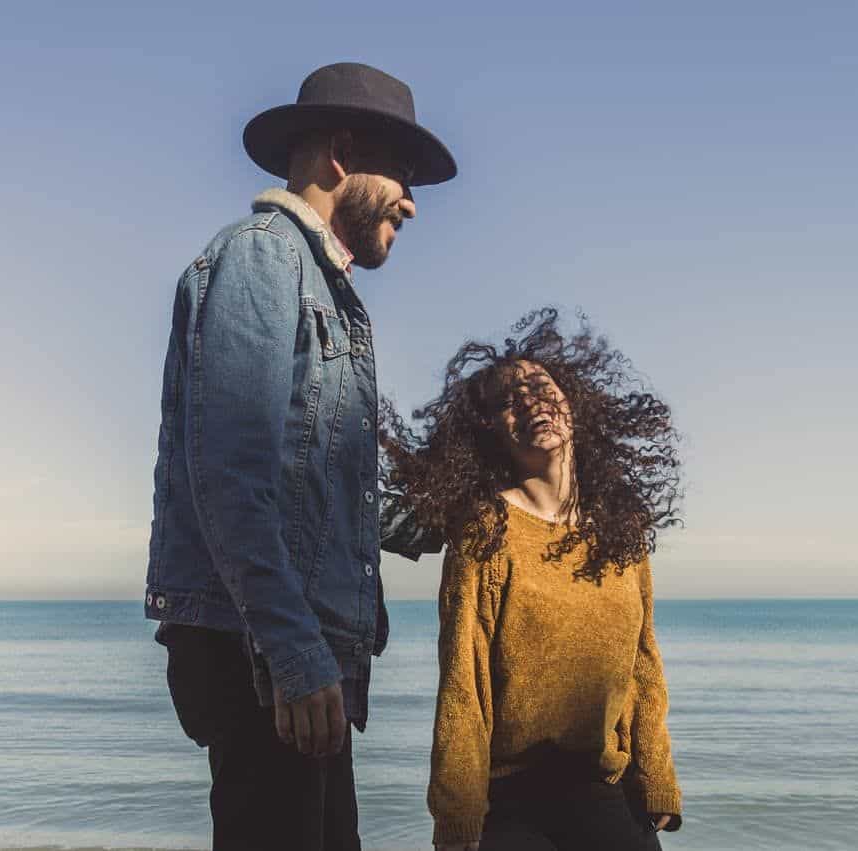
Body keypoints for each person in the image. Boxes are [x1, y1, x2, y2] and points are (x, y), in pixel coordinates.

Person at [144, 62, 457, 851]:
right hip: (270, 652)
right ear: (341, 157)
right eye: (404, 175)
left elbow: (327, 491)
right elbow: (231, 477)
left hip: (304, 651)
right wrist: (291, 650)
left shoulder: (327, 291)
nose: (413, 204)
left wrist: (472, 504)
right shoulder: (262, 259)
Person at [380, 309, 684, 850]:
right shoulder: (485, 531)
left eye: (541, 388)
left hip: (603, 789)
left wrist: (656, 776)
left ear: (573, 404)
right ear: (491, 429)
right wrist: (458, 815)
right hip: (510, 802)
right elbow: (464, 680)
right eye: (508, 401)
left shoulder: (621, 531)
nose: (530, 403)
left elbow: (643, 664)